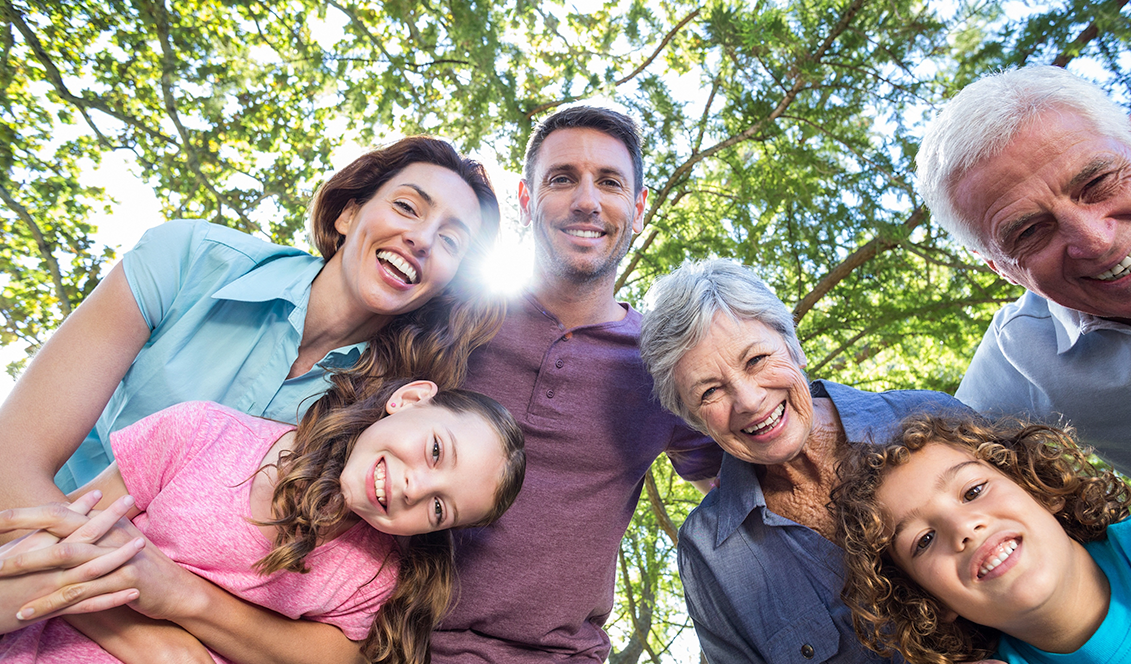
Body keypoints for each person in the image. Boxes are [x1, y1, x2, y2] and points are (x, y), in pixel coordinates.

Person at [0, 136, 504, 658]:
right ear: (348, 214)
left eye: (450, 242)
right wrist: (149, 640)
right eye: (407, 207)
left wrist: (182, 611)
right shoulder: (189, 259)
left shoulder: (375, 428)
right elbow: (10, 463)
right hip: (36, 557)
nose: (421, 238)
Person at [429, 105, 724, 662]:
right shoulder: (451, 316)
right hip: (392, 639)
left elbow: (756, 491)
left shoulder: (666, 363)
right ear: (525, 199)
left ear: (636, 209)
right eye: (562, 179)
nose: (587, 200)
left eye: (609, 182)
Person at [1, 375, 526, 664]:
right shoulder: (203, 433)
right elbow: (44, 543)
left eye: (439, 508)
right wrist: (155, 640)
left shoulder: (373, 576)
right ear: (409, 399)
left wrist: (181, 598)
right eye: (436, 450)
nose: (416, 487)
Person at [638, 257, 965, 663]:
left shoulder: (932, 418)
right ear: (695, 421)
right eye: (709, 392)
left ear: (794, 349)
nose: (750, 400)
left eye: (756, 360)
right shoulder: (708, 552)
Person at [915, 65, 1131, 501]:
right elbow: (921, 480)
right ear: (1001, 268)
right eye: (1029, 232)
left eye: (1098, 182)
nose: (1097, 241)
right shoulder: (1021, 354)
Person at [832, 413, 1131, 663]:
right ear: (929, 601)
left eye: (973, 491)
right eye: (924, 540)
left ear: (1041, 488)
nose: (963, 529)